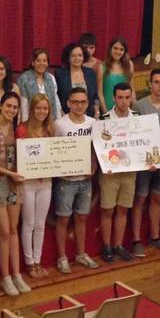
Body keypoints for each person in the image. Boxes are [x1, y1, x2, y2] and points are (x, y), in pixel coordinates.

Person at [0, 92, 30, 296]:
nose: (11, 110)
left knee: (13, 229)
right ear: (0, 106)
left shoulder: (15, 127)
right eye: (8, 106)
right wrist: (11, 174)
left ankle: (16, 274)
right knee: (3, 230)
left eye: (15, 107)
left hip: (13, 182)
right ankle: (5, 277)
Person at [131, 69, 160, 257]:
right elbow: (135, 133)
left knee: (157, 198)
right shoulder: (139, 105)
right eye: (156, 82)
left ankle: (155, 237)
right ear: (150, 84)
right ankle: (136, 240)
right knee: (140, 198)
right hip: (144, 162)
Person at [52, 89, 99, 273]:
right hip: (66, 181)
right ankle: (62, 257)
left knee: (81, 218)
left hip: (86, 180)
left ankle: (81, 254)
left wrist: (94, 166)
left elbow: (96, 149)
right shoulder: (59, 125)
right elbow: (53, 150)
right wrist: (61, 170)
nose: (79, 105)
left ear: (87, 103)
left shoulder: (93, 123)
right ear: (68, 103)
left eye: (83, 102)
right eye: (75, 102)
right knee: (63, 219)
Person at [99, 83, 138, 262]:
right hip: (110, 173)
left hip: (130, 171)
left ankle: (118, 245)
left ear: (131, 98)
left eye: (127, 97)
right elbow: (99, 146)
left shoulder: (138, 118)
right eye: (120, 97)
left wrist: (150, 161)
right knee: (108, 210)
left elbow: (144, 143)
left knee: (123, 209)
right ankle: (107, 246)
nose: (124, 101)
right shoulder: (104, 119)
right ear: (114, 98)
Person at [16, 95, 54, 279]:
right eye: (38, 108)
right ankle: (29, 262)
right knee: (29, 223)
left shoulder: (50, 129)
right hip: (28, 182)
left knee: (40, 224)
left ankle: (38, 261)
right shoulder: (22, 129)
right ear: (32, 109)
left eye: (45, 109)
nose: (41, 112)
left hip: (46, 181)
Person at [55, 42, 100, 118]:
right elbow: (57, 98)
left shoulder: (91, 73)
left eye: (80, 55)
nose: (77, 58)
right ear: (68, 58)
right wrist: (63, 117)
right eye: (73, 56)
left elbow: (96, 97)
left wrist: (97, 113)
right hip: (67, 117)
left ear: (83, 57)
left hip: (89, 117)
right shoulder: (60, 74)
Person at [17, 48, 62, 122]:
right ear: (33, 63)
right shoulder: (24, 78)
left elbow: (56, 102)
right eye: (38, 60)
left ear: (47, 63)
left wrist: (58, 121)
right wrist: (26, 124)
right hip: (31, 121)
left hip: (49, 120)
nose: (41, 63)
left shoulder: (51, 78)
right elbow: (24, 105)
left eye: (44, 61)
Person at [97, 37, 134, 114]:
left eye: (121, 49)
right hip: (108, 109)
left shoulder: (129, 65)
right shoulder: (102, 67)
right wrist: (105, 111)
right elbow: (100, 93)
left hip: (125, 109)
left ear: (125, 51)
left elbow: (132, 88)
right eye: (115, 48)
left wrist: (132, 107)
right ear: (110, 49)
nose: (118, 52)